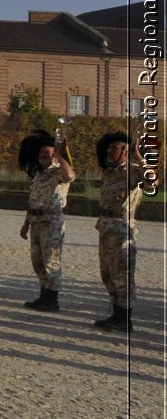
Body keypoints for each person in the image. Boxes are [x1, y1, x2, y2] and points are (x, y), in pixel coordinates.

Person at [18, 128, 76, 312]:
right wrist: (26, 225)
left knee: (51, 261)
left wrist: (60, 156)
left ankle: (52, 300)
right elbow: (32, 201)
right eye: (42, 152)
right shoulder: (38, 174)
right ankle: (44, 296)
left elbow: (70, 176)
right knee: (38, 262)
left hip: (51, 223)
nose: (44, 155)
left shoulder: (58, 172)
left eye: (48, 152)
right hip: (36, 222)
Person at [92, 131, 146, 331]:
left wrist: (139, 157)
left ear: (126, 151)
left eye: (114, 148)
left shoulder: (133, 171)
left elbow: (153, 182)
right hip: (106, 228)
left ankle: (125, 320)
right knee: (107, 274)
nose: (109, 151)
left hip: (122, 229)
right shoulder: (109, 171)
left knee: (123, 275)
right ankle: (116, 315)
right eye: (109, 147)